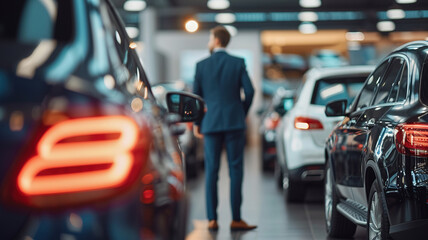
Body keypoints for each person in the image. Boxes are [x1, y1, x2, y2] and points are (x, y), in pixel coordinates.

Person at [193, 26, 256, 231]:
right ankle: (236, 219)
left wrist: (197, 123)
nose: (208, 42)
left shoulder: (201, 65)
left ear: (217, 40)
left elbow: (196, 99)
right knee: (235, 170)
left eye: (210, 38)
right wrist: (240, 112)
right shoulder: (238, 63)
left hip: (210, 124)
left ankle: (212, 219)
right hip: (234, 122)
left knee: (212, 171)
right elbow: (250, 91)